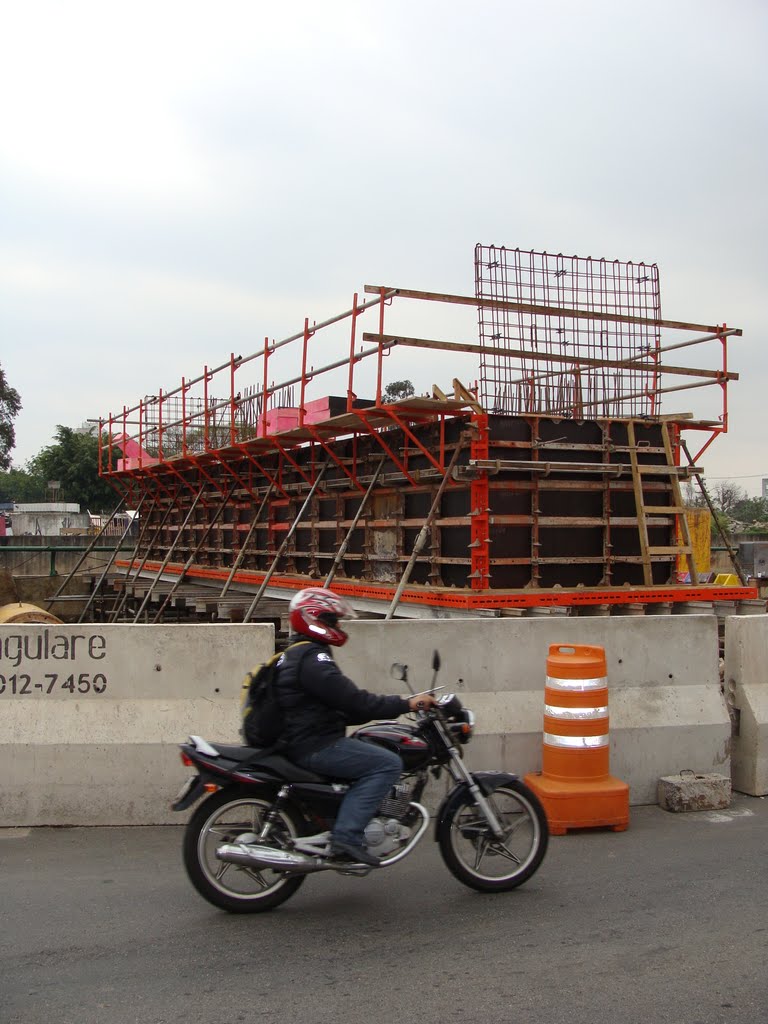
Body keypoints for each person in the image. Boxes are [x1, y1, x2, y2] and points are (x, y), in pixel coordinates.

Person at [274, 586, 436, 867]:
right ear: (314, 619)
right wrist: (406, 704)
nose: (337, 626)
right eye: (332, 620)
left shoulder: (298, 654)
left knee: (368, 746)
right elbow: (353, 700)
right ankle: (346, 839)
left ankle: (347, 823)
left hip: (302, 737)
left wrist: (365, 712)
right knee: (387, 764)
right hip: (314, 744)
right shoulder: (314, 659)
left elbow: (334, 706)